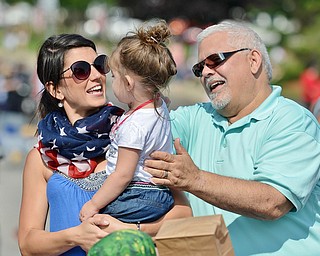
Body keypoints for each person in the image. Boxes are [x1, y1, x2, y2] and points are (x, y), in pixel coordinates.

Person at [144, 20, 320, 256]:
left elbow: (273, 202)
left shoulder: (293, 121)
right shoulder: (195, 117)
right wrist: (146, 106)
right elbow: (140, 141)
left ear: (254, 60)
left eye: (215, 60)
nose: (206, 72)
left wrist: (194, 179)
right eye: (199, 68)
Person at [18, 33, 191, 256]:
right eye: (81, 70)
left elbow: (183, 213)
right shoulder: (42, 157)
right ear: (55, 89)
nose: (97, 76)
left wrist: (130, 230)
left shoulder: (134, 134)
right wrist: (75, 236)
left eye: (100, 65)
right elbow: (28, 244)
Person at [80, 20, 176, 223]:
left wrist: (93, 205)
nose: (111, 81)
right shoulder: (158, 103)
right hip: (158, 192)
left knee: (89, 209)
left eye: (114, 76)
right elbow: (161, 96)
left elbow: (123, 175)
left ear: (128, 83)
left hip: (137, 194)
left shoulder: (135, 126)